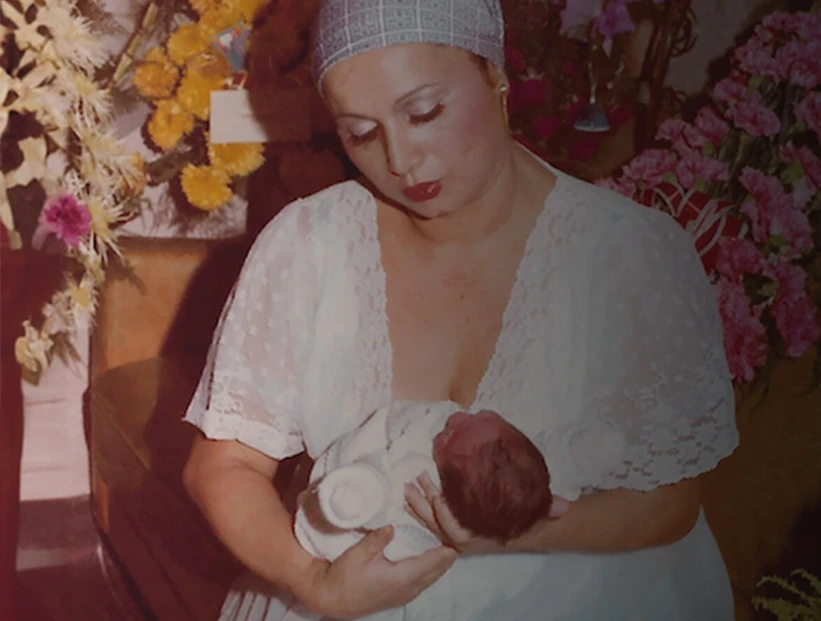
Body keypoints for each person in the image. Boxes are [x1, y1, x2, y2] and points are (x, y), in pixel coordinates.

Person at [181, 1, 740, 619]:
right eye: (360, 133)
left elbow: (671, 501)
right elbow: (224, 466)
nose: (401, 160)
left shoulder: (631, 255)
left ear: (495, 77)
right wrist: (316, 582)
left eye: (424, 112)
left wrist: (521, 533)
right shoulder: (308, 244)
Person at [295, 400, 609, 567]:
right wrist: (574, 461)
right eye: (480, 417)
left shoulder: (424, 473)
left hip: (394, 520)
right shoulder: (523, 472)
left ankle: (360, 496)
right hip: (534, 502)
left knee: (384, 494)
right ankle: (576, 463)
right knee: (547, 475)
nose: (455, 419)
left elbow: (401, 506)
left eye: (448, 437)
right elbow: (539, 458)